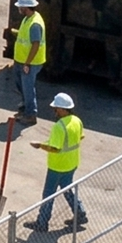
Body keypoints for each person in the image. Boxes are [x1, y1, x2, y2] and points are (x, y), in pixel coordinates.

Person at [27, 92, 88, 232]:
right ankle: (80, 213)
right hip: (71, 163)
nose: (54, 111)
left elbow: (54, 149)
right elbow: (81, 137)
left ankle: (42, 223)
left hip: (57, 166)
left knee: (49, 194)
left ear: (62, 109)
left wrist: (40, 145)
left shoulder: (59, 127)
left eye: (56, 108)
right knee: (67, 189)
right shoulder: (76, 120)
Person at [11, 0, 46, 122]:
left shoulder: (35, 24)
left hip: (29, 63)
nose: (19, 9)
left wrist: (27, 63)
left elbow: (35, 45)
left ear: (26, 8)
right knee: (21, 86)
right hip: (21, 60)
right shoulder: (28, 19)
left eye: (20, 7)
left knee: (28, 88)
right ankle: (25, 108)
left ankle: (30, 115)